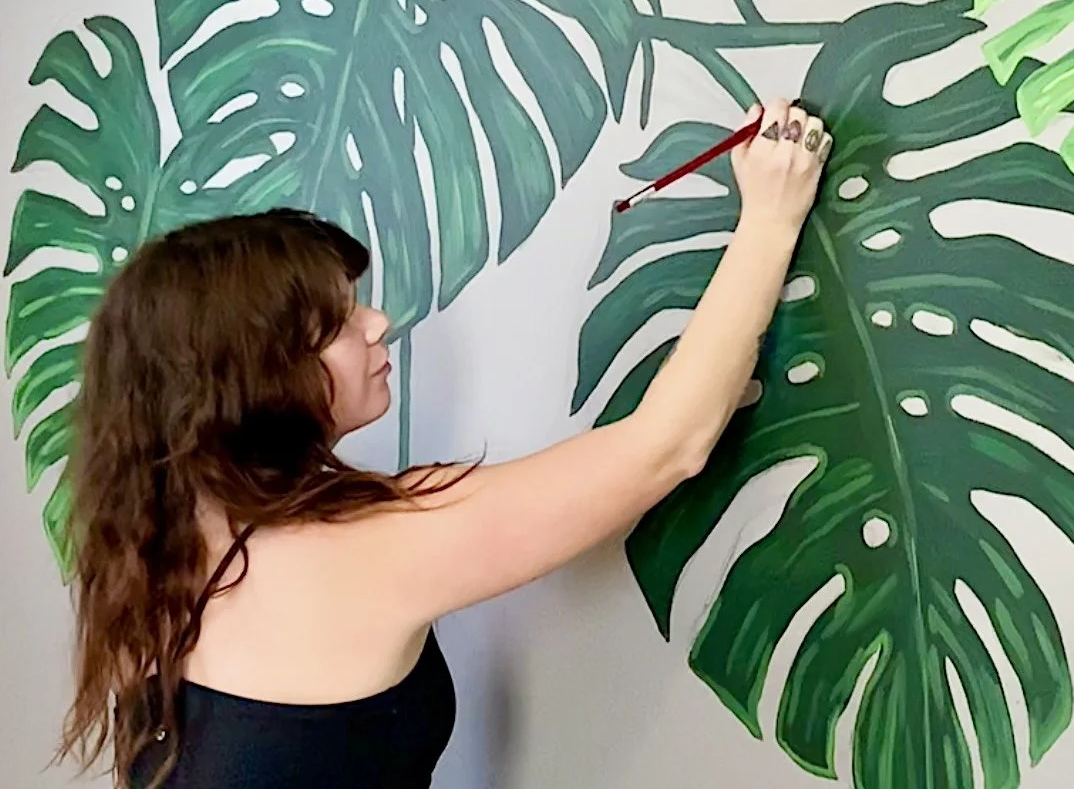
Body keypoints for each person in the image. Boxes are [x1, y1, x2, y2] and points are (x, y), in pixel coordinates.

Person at [57, 98, 830, 789]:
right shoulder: (369, 546)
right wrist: (771, 219)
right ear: (253, 378)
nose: (379, 324)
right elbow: (668, 446)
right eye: (337, 323)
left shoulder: (150, 543)